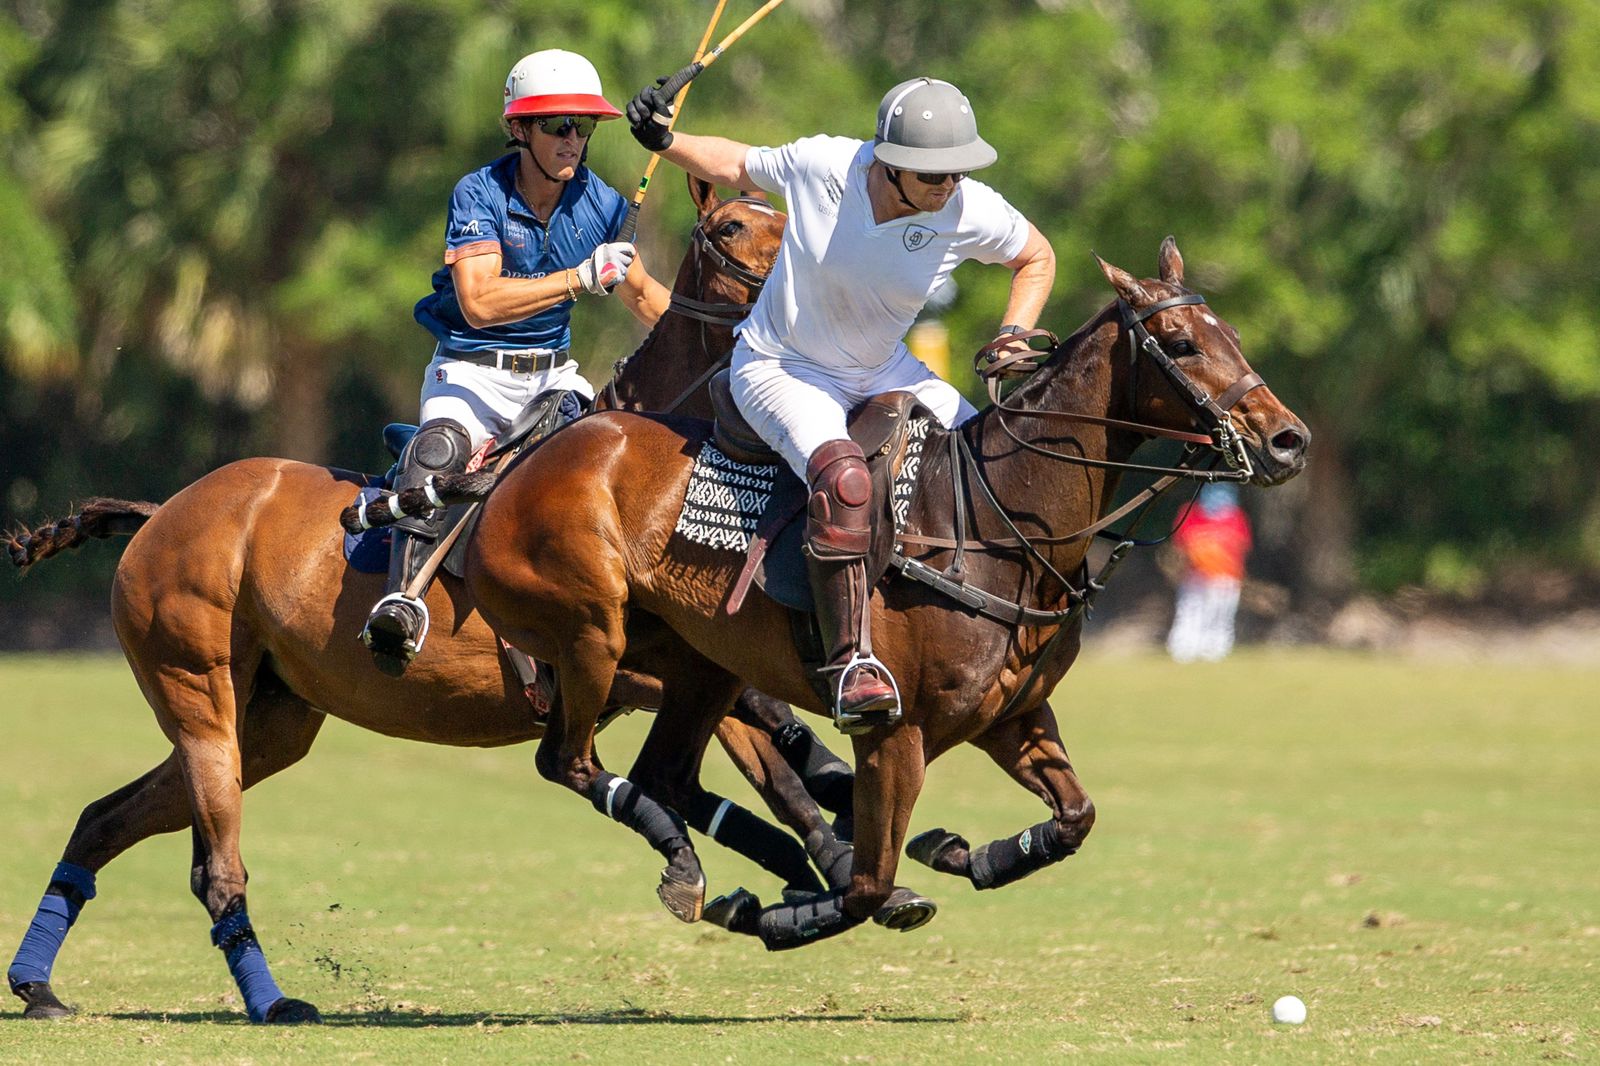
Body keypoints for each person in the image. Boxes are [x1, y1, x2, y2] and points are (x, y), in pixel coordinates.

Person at [626, 75, 1056, 730]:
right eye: (932, 173)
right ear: (890, 162)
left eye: (955, 171)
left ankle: (1003, 633)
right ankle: (852, 660)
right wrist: (665, 139)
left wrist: (1013, 332)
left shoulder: (967, 210)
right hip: (781, 367)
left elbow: (1035, 256)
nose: (947, 186)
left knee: (992, 467)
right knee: (846, 480)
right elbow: (737, 164)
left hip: (882, 367)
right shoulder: (828, 166)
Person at [362, 49, 672, 670]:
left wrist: (744, 346)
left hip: (553, 377)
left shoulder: (604, 205)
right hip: (470, 373)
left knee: (614, 467)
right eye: (557, 125)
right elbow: (478, 302)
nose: (572, 139)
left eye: (582, 127)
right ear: (519, 129)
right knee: (439, 450)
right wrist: (579, 278)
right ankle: (403, 600)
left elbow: (649, 302)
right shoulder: (478, 192)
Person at [1166, 483, 1253, 663]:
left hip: (1226, 576)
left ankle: (1215, 651)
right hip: (1195, 575)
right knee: (1190, 611)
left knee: (1221, 614)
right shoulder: (1191, 513)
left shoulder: (1236, 517)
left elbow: (1242, 545)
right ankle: (1184, 650)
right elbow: (1180, 544)